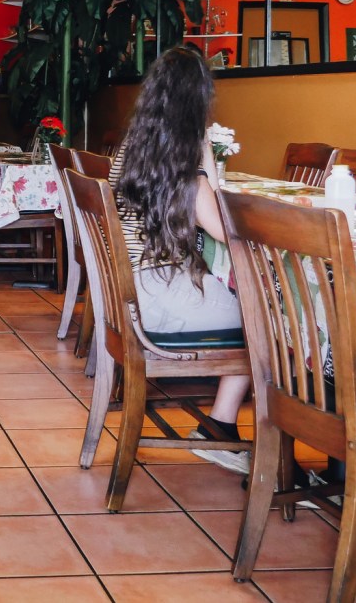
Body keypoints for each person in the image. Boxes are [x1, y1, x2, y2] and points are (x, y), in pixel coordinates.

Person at [110, 46, 250, 473]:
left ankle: (221, 426)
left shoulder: (131, 148)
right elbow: (225, 230)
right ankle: (222, 428)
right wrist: (207, 162)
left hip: (129, 292)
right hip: (158, 299)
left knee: (264, 310)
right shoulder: (185, 163)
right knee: (276, 322)